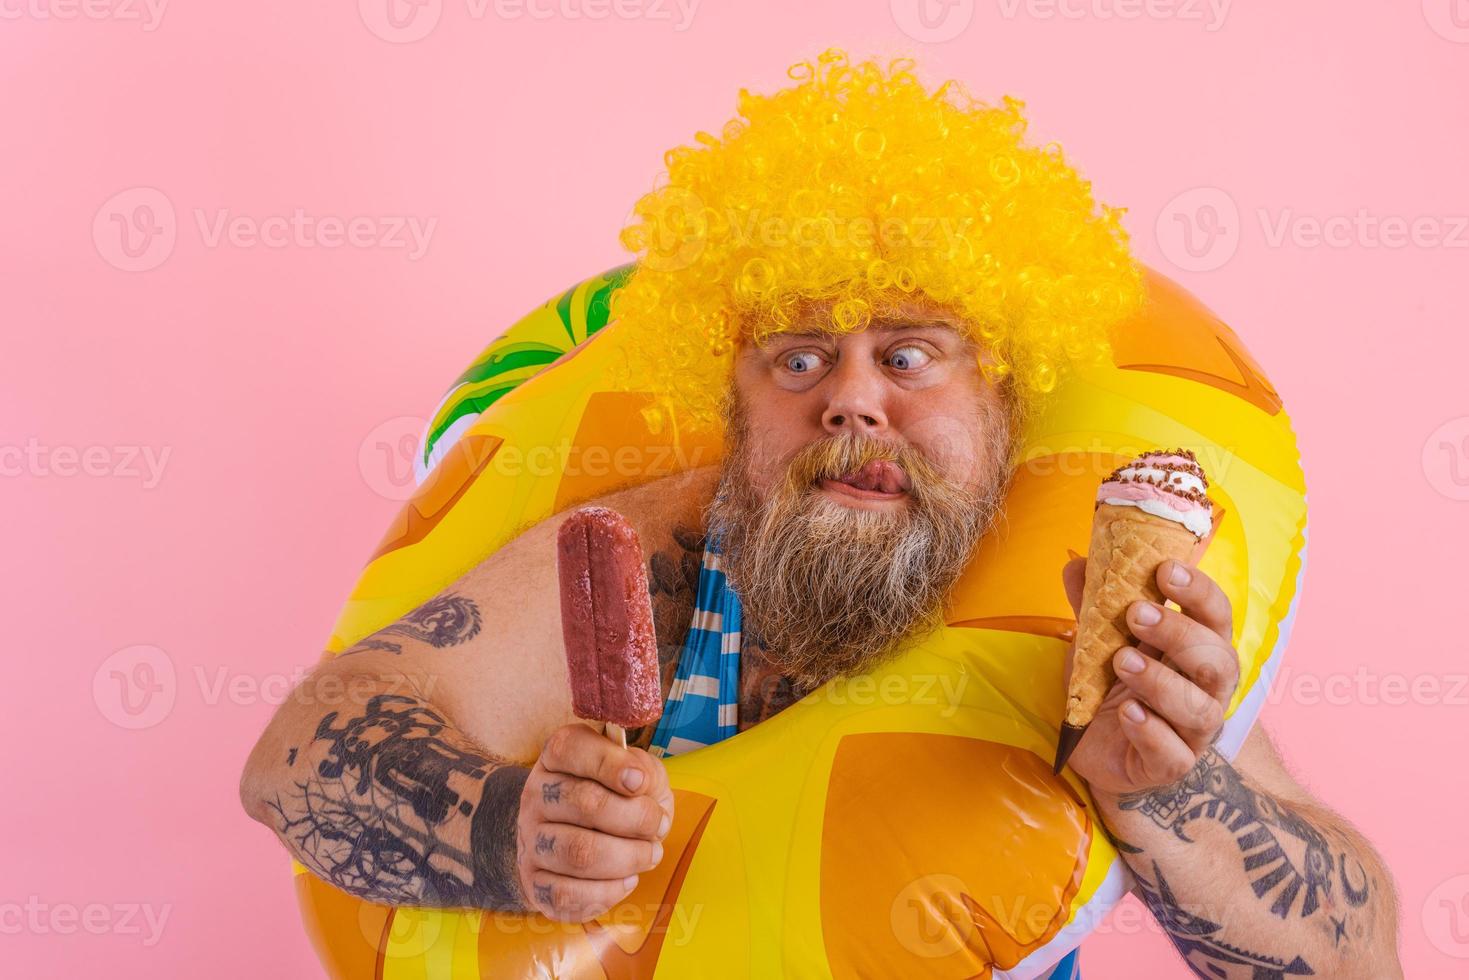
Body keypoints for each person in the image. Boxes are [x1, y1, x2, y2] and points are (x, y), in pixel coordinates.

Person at [240, 49, 1402, 977]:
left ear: (1002, 396)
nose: (849, 398)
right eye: (796, 360)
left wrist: (1168, 783)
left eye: (906, 354)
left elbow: (1354, 963)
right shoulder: (662, 556)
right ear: (733, 405)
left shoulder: (1080, 601)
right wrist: (508, 828)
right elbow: (295, 757)